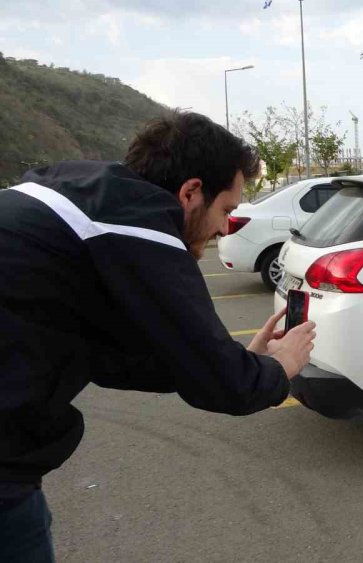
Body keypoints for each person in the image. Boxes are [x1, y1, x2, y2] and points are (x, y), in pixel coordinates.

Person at [0, 111, 316, 560]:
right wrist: (278, 367)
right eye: (226, 209)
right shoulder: (138, 227)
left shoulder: (82, 200)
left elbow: (110, 353)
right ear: (190, 192)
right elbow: (229, 387)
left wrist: (234, 361)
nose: (226, 227)